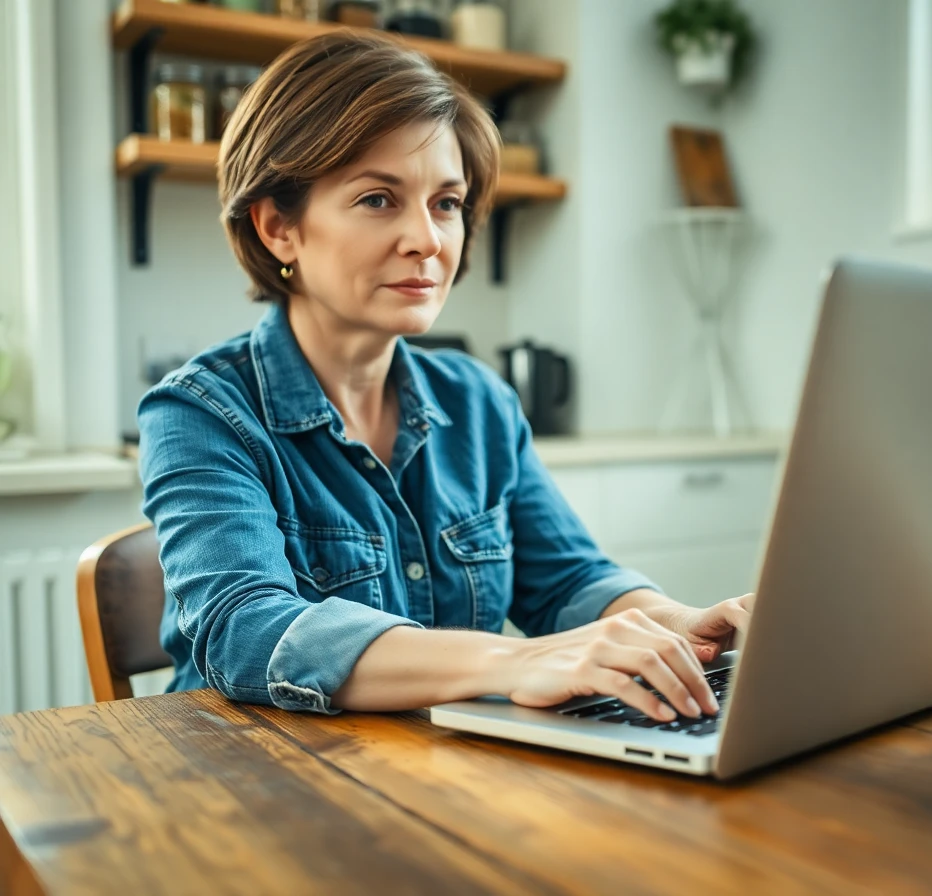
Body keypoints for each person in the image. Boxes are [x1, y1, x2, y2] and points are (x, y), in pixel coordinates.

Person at [137, 30, 752, 723]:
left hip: (435, 772)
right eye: (378, 198)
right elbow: (247, 630)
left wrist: (678, 625)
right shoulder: (199, 412)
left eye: (447, 203)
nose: (429, 240)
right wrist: (518, 661)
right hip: (254, 782)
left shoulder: (480, 400)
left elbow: (570, 580)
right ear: (280, 227)